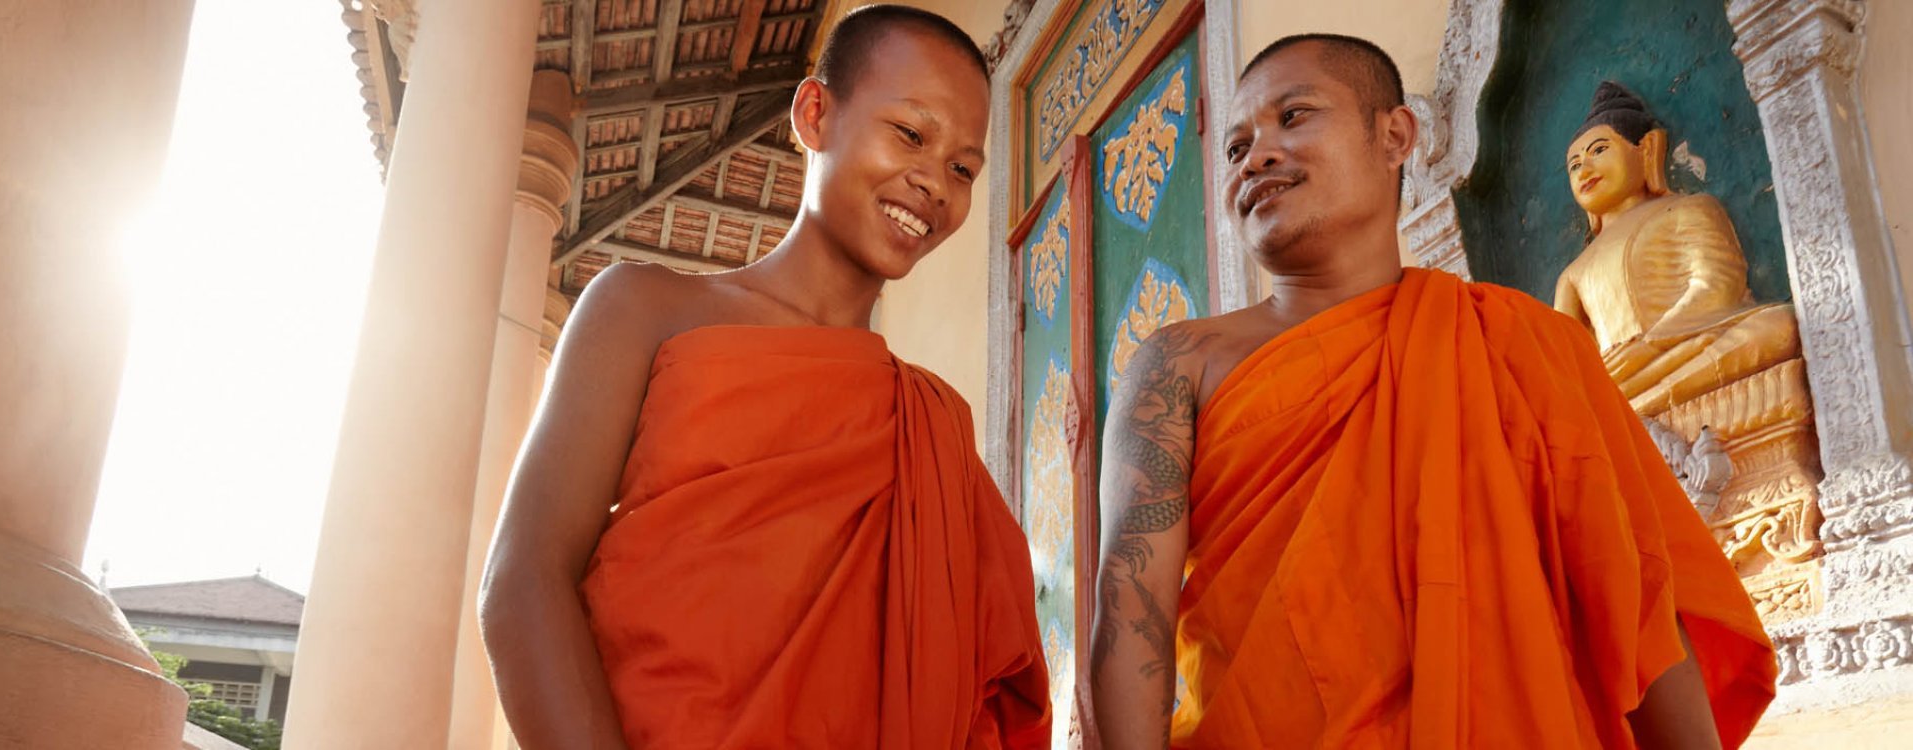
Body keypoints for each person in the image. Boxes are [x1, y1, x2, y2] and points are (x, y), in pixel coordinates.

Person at [1088, 34, 1776, 749]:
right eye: (1235, 148)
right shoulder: (1179, 365)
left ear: (1395, 135)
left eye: (1294, 116)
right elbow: (1131, 612)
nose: (1257, 155)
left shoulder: (1525, 345)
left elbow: (1634, 601)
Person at [480, 6, 1050, 748]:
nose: (934, 183)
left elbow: (988, 693)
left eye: (963, 168)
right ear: (815, 113)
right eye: (910, 134)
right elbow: (525, 580)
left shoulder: (930, 429)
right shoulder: (645, 310)